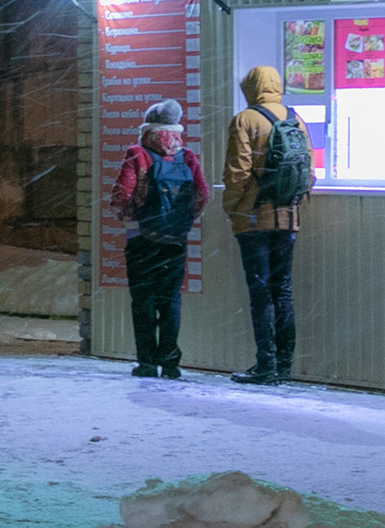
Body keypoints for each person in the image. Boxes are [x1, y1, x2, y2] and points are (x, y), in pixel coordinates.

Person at [221, 65, 310, 384]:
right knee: (282, 290)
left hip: (253, 220)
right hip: (288, 218)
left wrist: (232, 207)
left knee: (261, 294)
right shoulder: (296, 119)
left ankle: (266, 365)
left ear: (251, 87)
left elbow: (238, 174)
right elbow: (309, 173)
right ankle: (284, 365)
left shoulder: (245, 120)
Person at [107, 99, 208, 379]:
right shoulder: (187, 156)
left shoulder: (137, 154)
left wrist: (133, 217)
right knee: (170, 300)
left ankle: (148, 362)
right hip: (175, 239)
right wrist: (180, 221)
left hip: (142, 239)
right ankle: (171, 363)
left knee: (143, 301)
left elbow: (122, 196)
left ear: (147, 129)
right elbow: (202, 194)